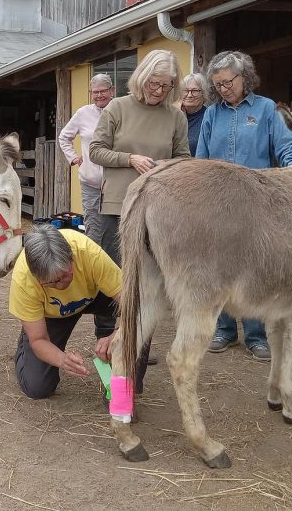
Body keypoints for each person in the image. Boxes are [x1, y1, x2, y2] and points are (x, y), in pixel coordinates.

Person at [196, 50, 292, 362]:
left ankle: (256, 335)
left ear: (245, 78)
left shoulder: (266, 109)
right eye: (218, 85)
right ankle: (224, 330)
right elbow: (201, 156)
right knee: (219, 266)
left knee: (254, 268)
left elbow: (284, 147)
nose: (224, 89)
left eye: (228, 82)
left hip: (256, 200)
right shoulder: (212, 113)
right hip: (218, 200)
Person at [89, 50, 190, 365]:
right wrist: (129, 158)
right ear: (142, 77)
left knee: (148, 280)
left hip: (157, 210)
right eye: (154, 83)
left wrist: (164, 166)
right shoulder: (118, 107)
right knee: (113, 275)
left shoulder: (176, 116)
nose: (158, 91)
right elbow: (95, 150)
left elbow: (185, 158)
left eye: (166, 86)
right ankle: (108, 340)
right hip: (117, 206)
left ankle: (139, 345)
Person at [11, 224, 123, 399]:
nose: (62, 284)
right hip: (54, 314)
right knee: (37, 387)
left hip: (96, 296)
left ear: (72, 258)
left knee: (138, 323)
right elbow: (39, 339)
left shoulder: (88, 253)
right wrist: (62, 359)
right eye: (52, 282)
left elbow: (135, 304)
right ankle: (25, 345)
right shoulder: (23, 280)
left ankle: (125, 384)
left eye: (66, 275)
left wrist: (120, 333)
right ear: (37, 277)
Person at [57, 74, 115, 245]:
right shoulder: (83, 113)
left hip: (116, 184)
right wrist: (73, 158)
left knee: (115, 229)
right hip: (91, 183)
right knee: (94, 229)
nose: (99, 95)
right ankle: (95, 267)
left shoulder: (120, 110)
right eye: (94, 92)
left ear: (112, 91)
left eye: (103, 91)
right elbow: (64, 137)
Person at [180, 73, 209, 156]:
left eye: (195, 91)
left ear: (204, 93)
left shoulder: (208, 117)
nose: (189, 95)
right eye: (185, 90)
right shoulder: (174, 115)